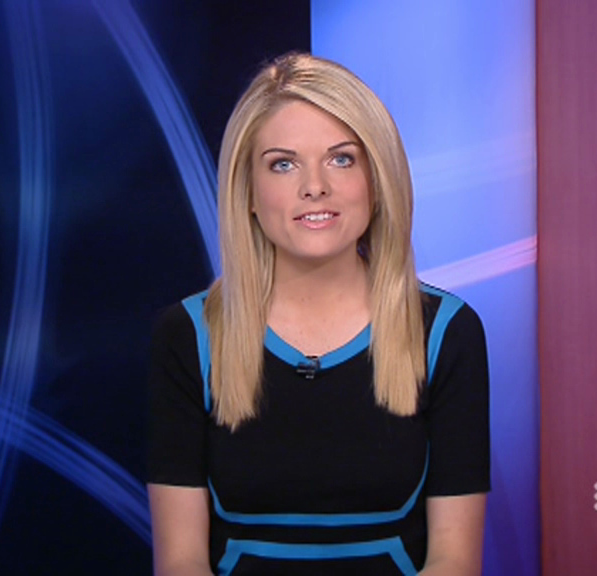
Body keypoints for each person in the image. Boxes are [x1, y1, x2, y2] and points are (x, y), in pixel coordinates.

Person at [147, 52, 490, 576]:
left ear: (377, 180)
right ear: (248, 192)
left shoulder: (445, 332)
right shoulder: (187, 336)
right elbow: (181, 561)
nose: (314, 186)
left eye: (341, 159)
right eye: (283, 164)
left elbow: (454, 560)